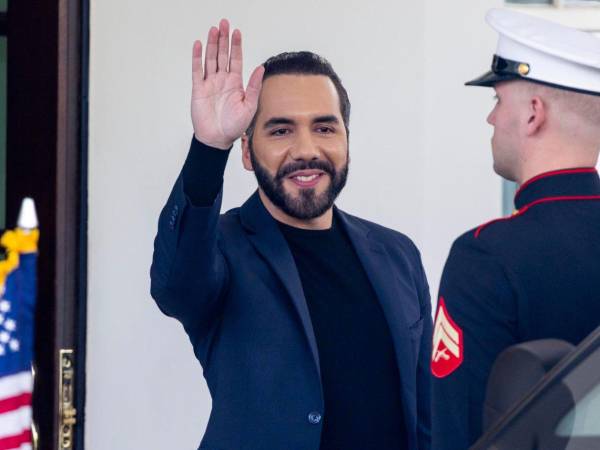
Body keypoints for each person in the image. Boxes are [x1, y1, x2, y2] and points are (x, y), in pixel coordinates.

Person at [150, 19, 432, 450]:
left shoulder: (398, 254)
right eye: (281, 130)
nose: (305, 150)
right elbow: (176, 288)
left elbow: (426, 410)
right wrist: (209, 148)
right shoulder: (221, 247)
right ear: (247, 151)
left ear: (346, 141)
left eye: (325, 128)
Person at [431, 8, 600, 450]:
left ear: (532, 115)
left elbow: (457, 431)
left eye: (497, 100)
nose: (491, 119)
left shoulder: (485, 257)